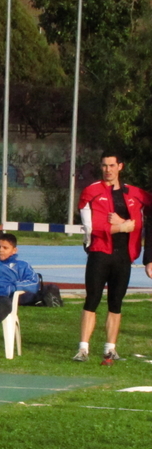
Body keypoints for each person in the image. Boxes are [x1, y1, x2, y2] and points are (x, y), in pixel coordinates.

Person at [73, 152, 152, 364]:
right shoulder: (91, 192)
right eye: (104, 166)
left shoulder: (135, 194)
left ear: (120, 167)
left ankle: (110, 349)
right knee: (92, 300)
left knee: (116, 302)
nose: (108, 169)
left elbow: (138, 222)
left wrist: (127, 224)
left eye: (111, 165)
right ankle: (83, 348)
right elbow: (93, 227)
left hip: (124, 256)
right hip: (99, 252)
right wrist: (121, 227)